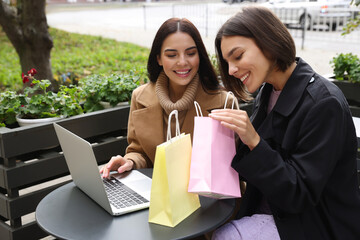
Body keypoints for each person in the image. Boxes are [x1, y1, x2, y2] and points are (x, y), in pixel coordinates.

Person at [209, 6, 360, 240]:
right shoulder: (268, 90)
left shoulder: (324, 104)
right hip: (274, 214)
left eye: (238, 56)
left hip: (316, 224)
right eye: (227, 62)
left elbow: (299, 194)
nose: (231, 70)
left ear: (268, 42)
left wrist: (254, 141)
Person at [101, 18, 233, 178]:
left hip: (206, 198)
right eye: (172, 55)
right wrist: (130, 161)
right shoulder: (140, 97)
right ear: (158, 59)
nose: (183, 62)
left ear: (200, 55)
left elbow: (230, 165)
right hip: (158, 195)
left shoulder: (223, 102)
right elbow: (139, 151)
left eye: (191, 53)